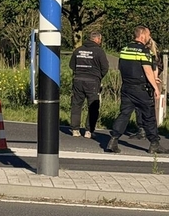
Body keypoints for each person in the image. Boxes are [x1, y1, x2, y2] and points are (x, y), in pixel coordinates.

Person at [108, 26, 162, 154]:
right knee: (149, 116)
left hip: (126, 87)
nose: (149, 37)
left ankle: (113, 140)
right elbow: (148, 71)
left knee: (124, 114)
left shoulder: (124, 49)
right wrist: (155, 87)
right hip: (141, 89)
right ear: (142, 36)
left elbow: (121, 67)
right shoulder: (144, 51)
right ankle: (154, 143)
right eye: (148, 34)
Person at [69, 31, 109, 139]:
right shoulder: (99, 52)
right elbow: (105, 67)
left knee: (76, 105)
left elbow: (71, 65)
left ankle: (75, 130)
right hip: (93, 82)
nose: (100, 42)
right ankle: (88, 131)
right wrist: (98, 77)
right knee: (93, 106)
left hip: (78, 80)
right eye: (100, 40)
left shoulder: (78, 50)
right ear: (96, 39)